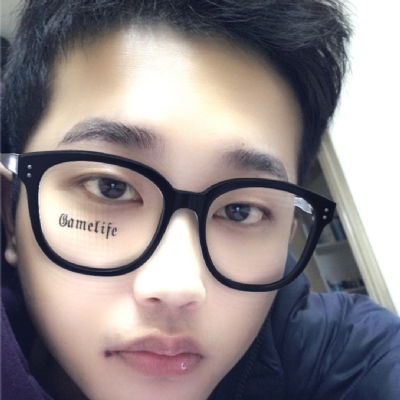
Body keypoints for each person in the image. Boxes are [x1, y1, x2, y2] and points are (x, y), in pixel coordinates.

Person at [1, 1, 399, 399]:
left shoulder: (347, 356)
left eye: (240, 211)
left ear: (285, 237)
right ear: (9, 215)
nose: (176, 287)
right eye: (110, 187)